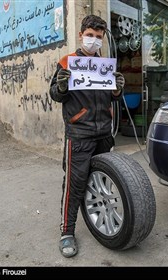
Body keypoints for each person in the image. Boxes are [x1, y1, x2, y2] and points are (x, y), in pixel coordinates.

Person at [49, 15, 125, 258]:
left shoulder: (104, 66)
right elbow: (55, 95)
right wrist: (61, 86)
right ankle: (66, 231)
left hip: (104, 132)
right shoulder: (67, 62)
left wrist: (117, 88)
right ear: (81, 34)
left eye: (98, 37)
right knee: (75, 183)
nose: (94, 40)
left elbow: (112, 97)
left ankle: (98, 215)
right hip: (79, 134)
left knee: (102, 180)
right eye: (90, 35)